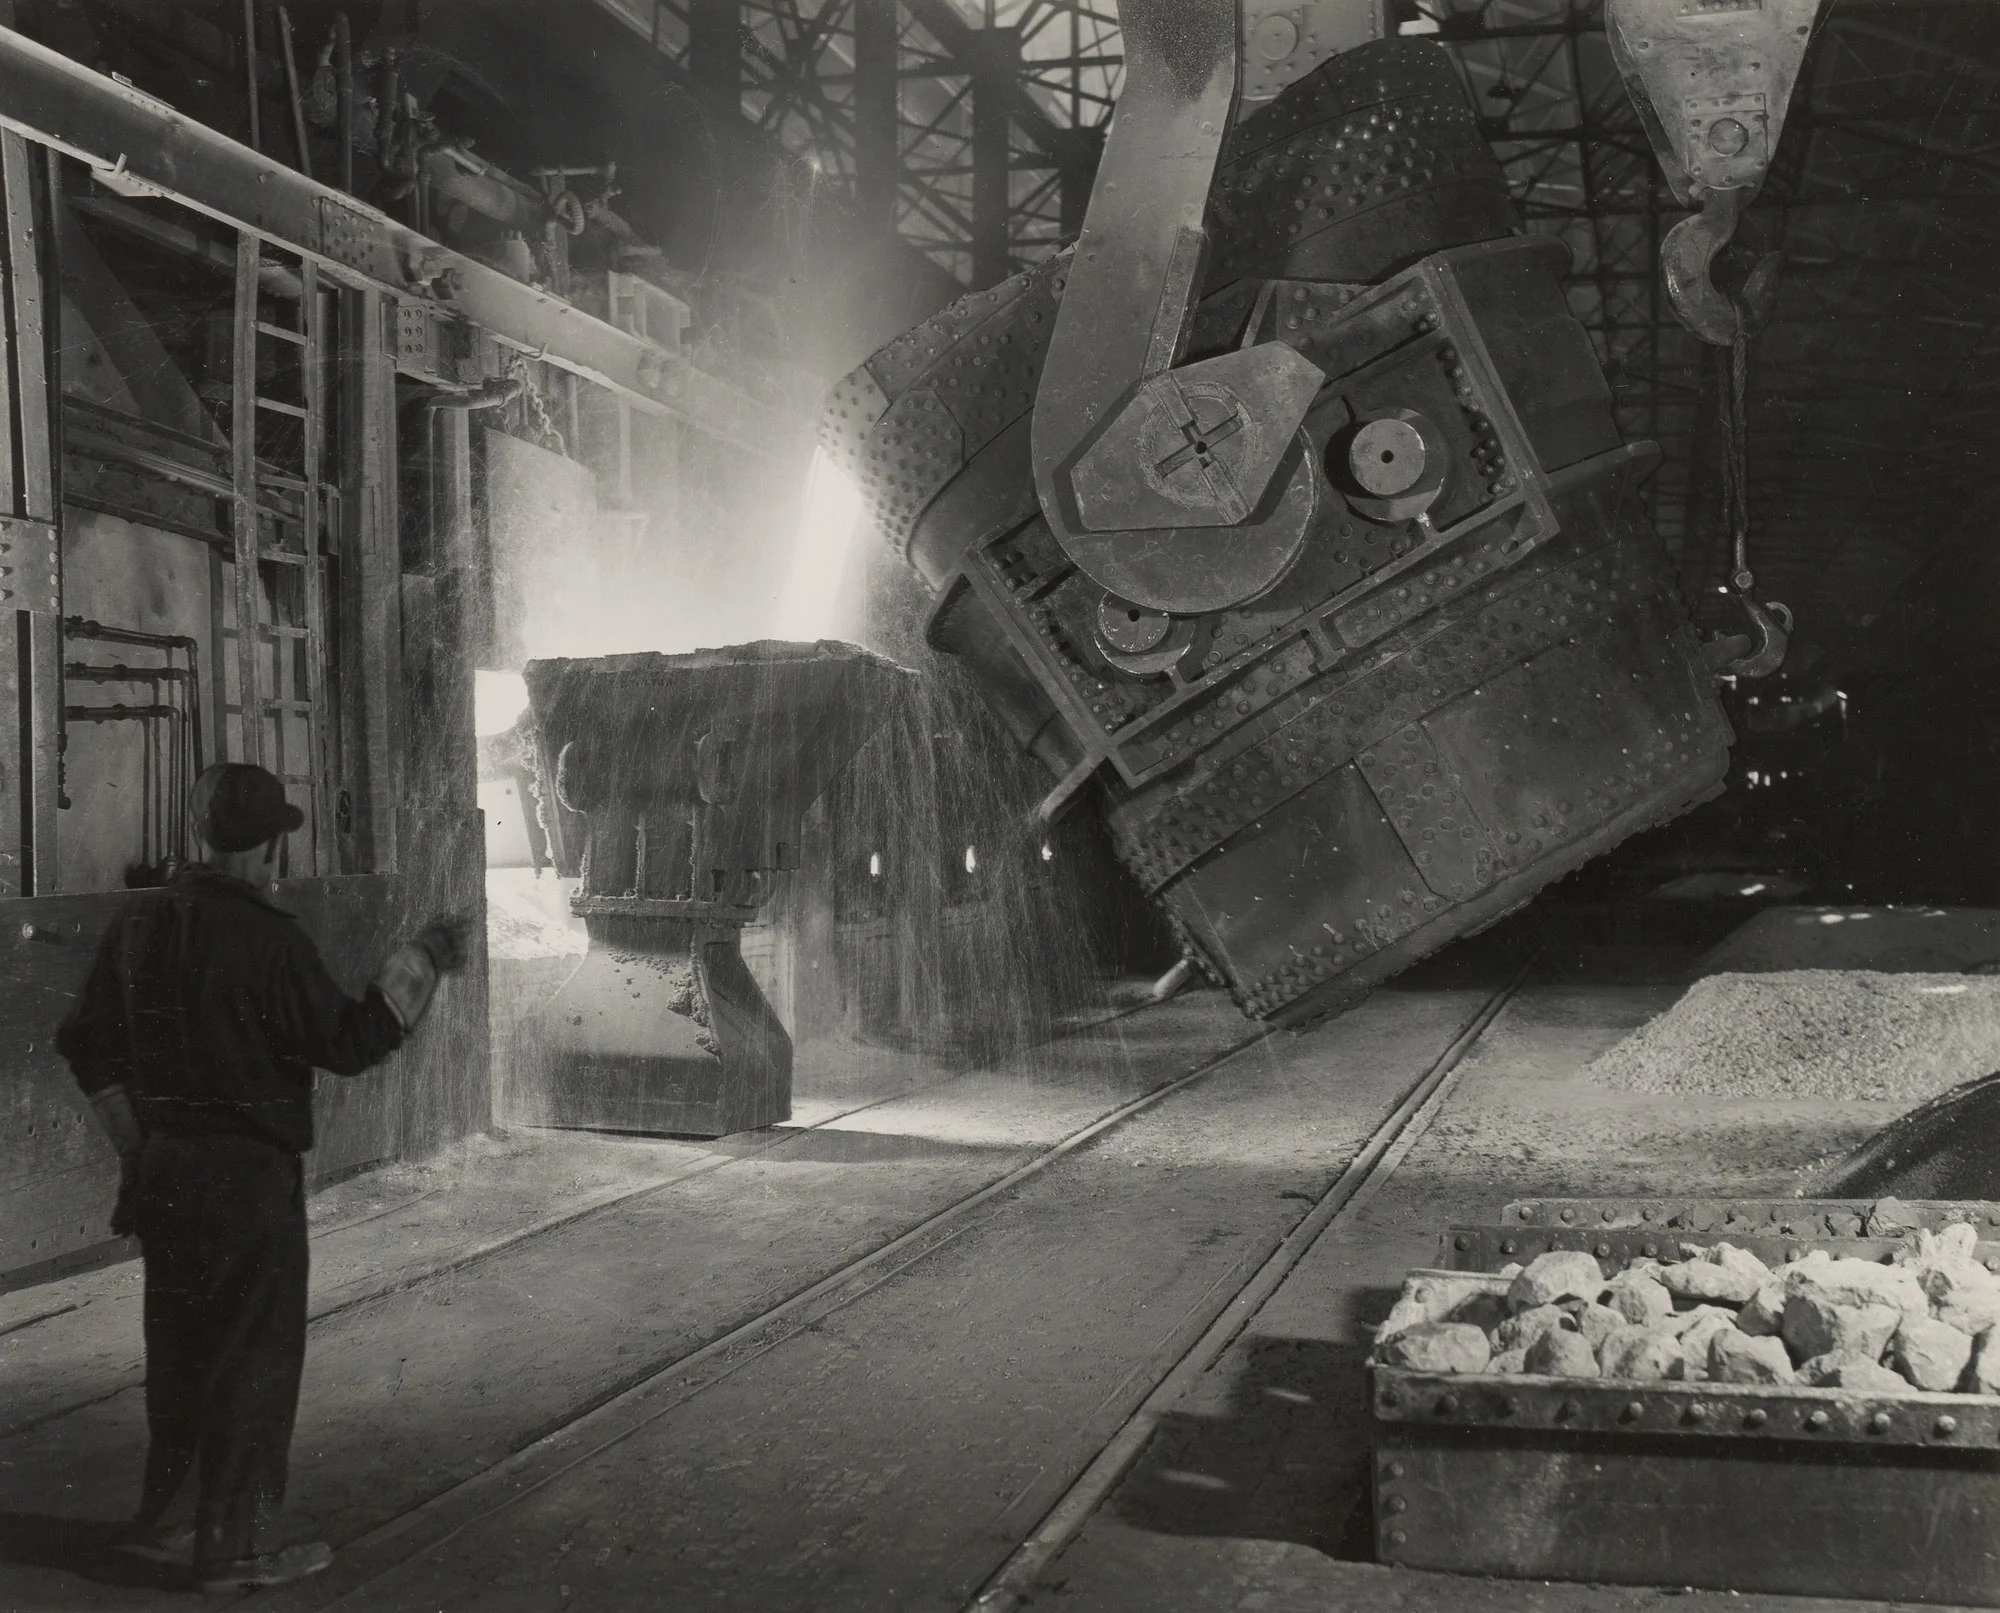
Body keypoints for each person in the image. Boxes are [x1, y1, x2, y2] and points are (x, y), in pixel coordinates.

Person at [56, 762, 468, 1594]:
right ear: (274, 843)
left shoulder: (140, 922)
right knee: (251, 1359)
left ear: (202, 832)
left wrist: (139, 1145)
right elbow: (351, 1042)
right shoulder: (271, 940)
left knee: (177, 1353)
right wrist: (421, 958)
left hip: (164, 1169)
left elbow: (83, 1041)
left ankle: (164, 1526)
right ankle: (233, 1548)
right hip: (246, 1179)